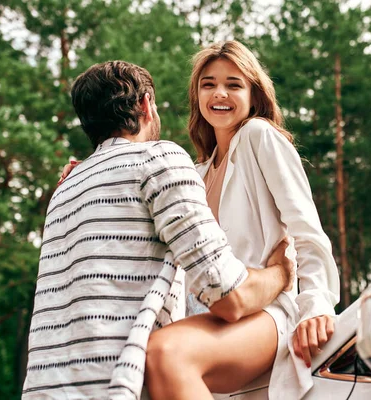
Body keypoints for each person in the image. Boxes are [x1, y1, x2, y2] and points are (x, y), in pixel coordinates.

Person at [21, 60, 295, 399]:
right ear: (145, 105)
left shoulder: (64, 189)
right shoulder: (157, 160)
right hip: (122, 388)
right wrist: (281, 271)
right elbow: (229, 296)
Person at [144, 41, 340, 400]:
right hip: (205, 320)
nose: (220, 93)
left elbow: (306, 230)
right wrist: (92, 170)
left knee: (165, 353)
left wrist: (317, 305)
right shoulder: (196, 172)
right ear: (197, 95)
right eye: (208, 84)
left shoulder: (258, 136)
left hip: (264, 314)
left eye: (234, 84)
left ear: (254, 95)